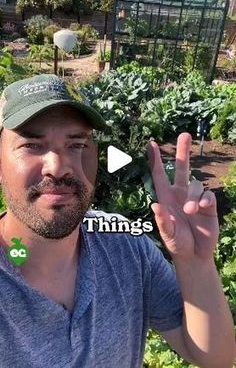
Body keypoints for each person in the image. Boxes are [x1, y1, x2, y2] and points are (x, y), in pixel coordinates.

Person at [0, 73, 234, 368]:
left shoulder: (126, 248)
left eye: (76, 144)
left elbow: (215, 358)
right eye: (32, 145)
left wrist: (195, 261)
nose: (58, 167)